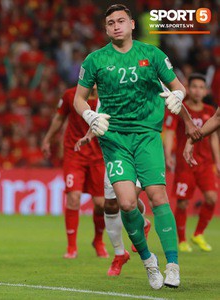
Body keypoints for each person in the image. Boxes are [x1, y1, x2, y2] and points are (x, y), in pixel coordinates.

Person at [73, 4, 201, 289]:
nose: (116, 26)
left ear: (132, 24)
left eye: (121, 21)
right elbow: (79, 99)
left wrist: (177, 97)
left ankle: (172, 265)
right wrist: (90, 115)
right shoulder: (95, 60)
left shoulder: (151, 54)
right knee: (128, 203)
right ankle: (148, 261)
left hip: (146, 135)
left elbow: (177, 86)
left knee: (157, 197)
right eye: (110, 23)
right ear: (106, 29)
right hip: (115, 138)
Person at [41, 86, 107, 259]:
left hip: (99, 156)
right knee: (73, 197)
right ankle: (71, 247)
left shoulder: (108, 94)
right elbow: (58, 119)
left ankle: (98, 241)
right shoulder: (71, 95)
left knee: (101, 203)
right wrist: (47, 140)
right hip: (74, 153)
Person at [75, 131, 152, 276]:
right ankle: (119, 254)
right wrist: (89, 136)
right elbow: (100, 116)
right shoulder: (108, 106)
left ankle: (142, 224)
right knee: (110, 205)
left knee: (129, 199)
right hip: (114, 153)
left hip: (138, 148)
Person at [168, 74, 219, 252]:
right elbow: (169, 131)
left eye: (201, 87)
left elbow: (213, 138)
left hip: (205, 163)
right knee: (183, 203)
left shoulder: (209, 109)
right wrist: (168, 154)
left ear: (206, 91)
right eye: (194, 86)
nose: (198, 90)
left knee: (212, 198)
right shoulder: (180, 109)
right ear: (188, 89)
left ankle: (198, 233)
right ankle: (181, 239)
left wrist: (217, 161)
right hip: (185, 163)